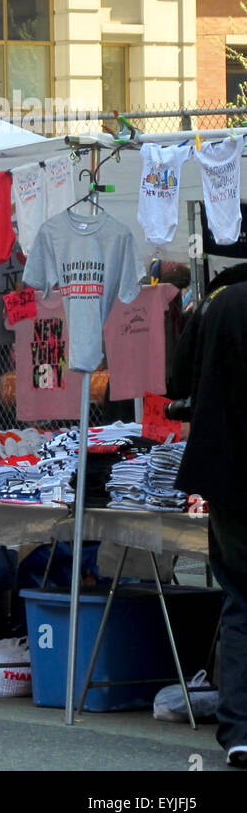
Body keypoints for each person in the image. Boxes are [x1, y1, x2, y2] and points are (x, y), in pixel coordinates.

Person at [168, 275, 247, 768]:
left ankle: (240, 730)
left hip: (228, 473)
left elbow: (177, 383)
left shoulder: (218, 301)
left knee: (241, 598)